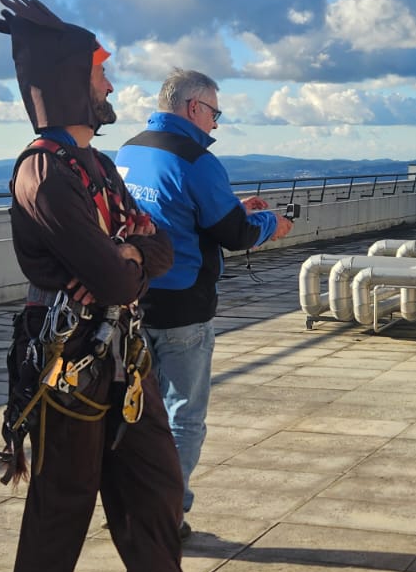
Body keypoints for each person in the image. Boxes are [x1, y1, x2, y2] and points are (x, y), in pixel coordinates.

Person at [0, 0, 238, 572]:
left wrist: (125, 256)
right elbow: (125, 273)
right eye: (101, 74)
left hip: (123, 356)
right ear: (70, 81)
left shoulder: (92, 166)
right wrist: (123, 258)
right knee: (64, 492)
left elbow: (153, 251)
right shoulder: (44, 171)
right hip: (71, 362)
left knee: (153, 478)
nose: (110, 87)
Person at [113, 68, 292, 532]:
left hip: (131, 301)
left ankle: (132, 503)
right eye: (215, 112)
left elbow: (173, 209)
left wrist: (233, 205)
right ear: (194, 108)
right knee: (183, 417)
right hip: (183, 308)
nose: (216, 123)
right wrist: (272, 223)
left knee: (133, 411)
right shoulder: (198, 159)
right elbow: (233, 235)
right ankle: (168, 512)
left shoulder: (129, 149)